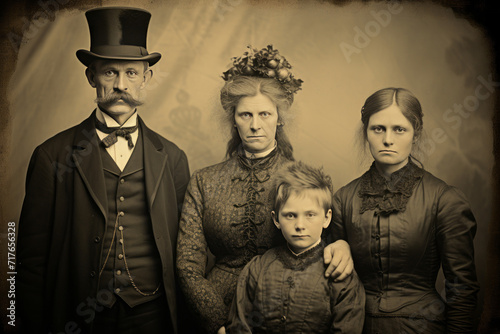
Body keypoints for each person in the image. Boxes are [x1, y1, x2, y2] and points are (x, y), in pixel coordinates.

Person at [16, 7, 190, 334]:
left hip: (153, 315)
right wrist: (24, 321)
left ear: (147, 78)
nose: (121, 84)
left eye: (132, 74)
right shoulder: (51, 156)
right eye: (110, 72)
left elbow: (187, 252)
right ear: (91, 77)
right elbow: (28, 259)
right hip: (79, 317)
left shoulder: (173, 157)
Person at [176, 45, 353, 334]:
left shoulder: (306, 180)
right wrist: (218, 323)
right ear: (233, 118)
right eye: (245, 115)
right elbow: (187, 265)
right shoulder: (204, 181)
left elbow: (326, 244)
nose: (255, 125)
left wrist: (342, 245)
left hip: (285, 310)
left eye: (265, 114)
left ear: (280, 117)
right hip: (215, 311)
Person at [329, 87, 479, 333]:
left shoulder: (444, 199)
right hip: (353, 326)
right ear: (366, 132)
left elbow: (461, 287)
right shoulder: (344, 199)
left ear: (415, 134)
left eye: (399, 129)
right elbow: (330, 282)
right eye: (378, 128)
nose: (388, 139)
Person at [226, 161, 366, 333]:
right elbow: (240, 326)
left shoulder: (340, 273)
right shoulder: (258, 268)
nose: (300, 225)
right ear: (276, 219)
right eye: (290, 215)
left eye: (310, 215)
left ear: (326, 218)